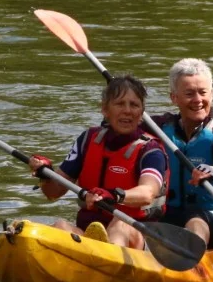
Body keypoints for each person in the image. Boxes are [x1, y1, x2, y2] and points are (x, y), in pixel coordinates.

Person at [28, 75, 168, 250]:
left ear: (141, 114)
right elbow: (53, 193)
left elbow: (147, 193)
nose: (127, 110)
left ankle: (109, 265)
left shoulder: (151, 150)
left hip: (137, 236)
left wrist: (114, 195)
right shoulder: (88, 140)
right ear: (105, 110)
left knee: (119, 226)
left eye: (134, 105)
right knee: (61, 227)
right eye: (120, 104)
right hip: (90, 232)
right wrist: (46, 175)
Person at [152, 58, 213, 249]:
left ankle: (191, 257)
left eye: (203, 93)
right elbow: (125, 124)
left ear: (211, 94)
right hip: (169, 214)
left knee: (196, 222)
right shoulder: (159, 126)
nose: (198, 100)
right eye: (189, 94)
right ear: (174, 98)